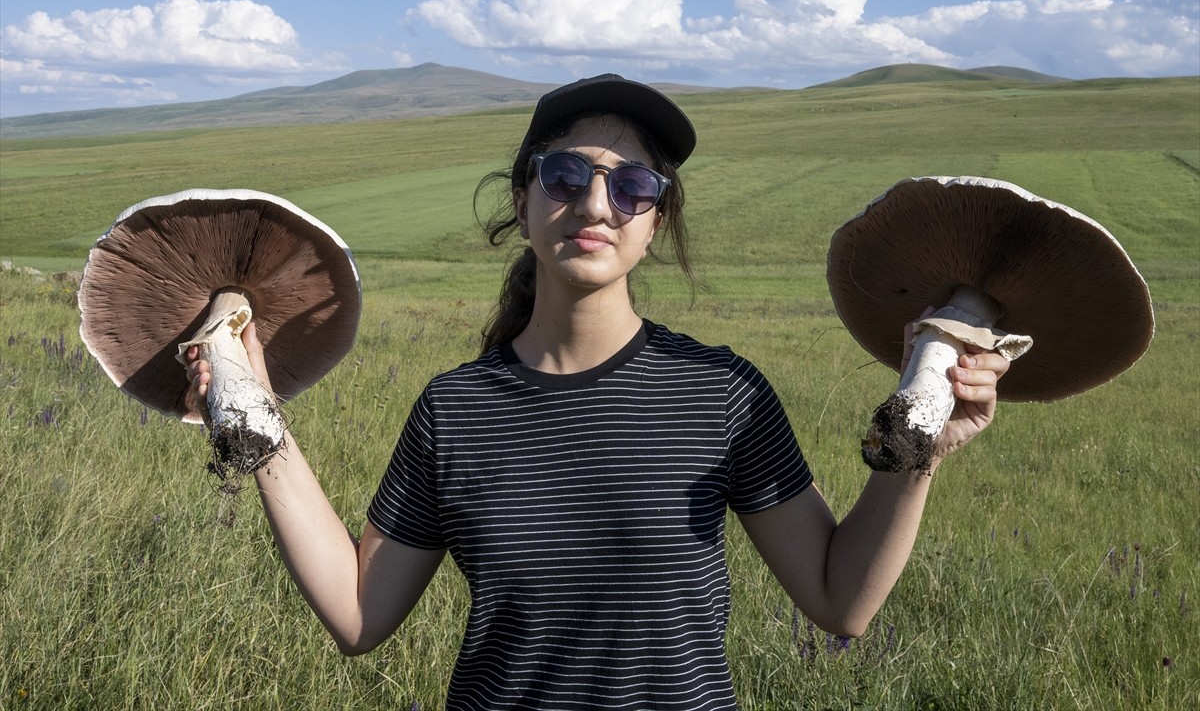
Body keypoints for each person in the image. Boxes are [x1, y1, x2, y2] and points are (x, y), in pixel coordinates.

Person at [186, 74, 1008, 709]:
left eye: (633, 188)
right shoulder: (455, 408)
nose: (595, 203)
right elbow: (360, 616)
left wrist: (921, 450)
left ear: (656, 223)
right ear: (524, 198)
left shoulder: (721, 393)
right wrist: (255, 415)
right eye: (566, 174)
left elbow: (841, 601)